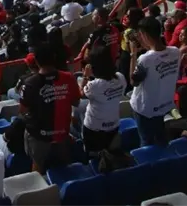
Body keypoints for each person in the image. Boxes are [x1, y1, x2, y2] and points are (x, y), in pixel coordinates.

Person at [20, 43, 80, 173]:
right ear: (54, 58)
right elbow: (76, 102)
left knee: (37, 167)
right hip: (63, 133)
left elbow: (23, 110)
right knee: (65, 168)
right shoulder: (69, 78)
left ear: (36, 61)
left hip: (39, 136)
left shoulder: (29, 83)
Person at [129, 17, 180, 147]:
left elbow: (133, 81)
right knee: (161, 138)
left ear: (145, 35)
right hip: (164, 105)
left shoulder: (145, 59)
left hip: (145, 109)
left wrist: (133, 54)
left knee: (146, 142)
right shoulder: (175, 52)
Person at [80, 46, 126, 157]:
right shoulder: (120, 77)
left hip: (94, 129)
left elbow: (81, 94)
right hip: (113, 125)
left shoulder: (94, 86)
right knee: (110, 153)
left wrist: (85, 76)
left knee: (94, 157)